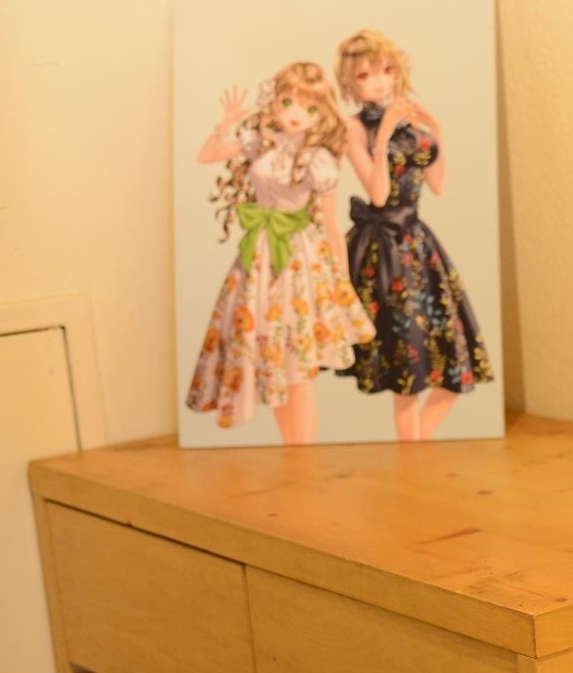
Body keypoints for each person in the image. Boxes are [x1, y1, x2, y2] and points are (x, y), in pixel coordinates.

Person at [187, 63, 374, 442]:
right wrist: (226, 123)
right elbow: (206, 156)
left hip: (300, 258)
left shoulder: (319, 159)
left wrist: (341, 283)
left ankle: (304, 452)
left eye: (310, 108)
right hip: (258, 257)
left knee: (298, 368)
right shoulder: (262, 142)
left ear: (321, 114)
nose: (295, 114)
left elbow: (331, 223)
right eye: (287, 102)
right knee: (273, 362)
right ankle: (292, 449)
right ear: (273, 102)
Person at [334, 29, 494, 441]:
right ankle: (412, 447)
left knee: (449, 354)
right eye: (366, 75)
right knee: (405, 359)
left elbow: (437, 184)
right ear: (349, 82)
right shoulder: (352, 128)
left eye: (387, 71)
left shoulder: (409, 120)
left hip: (417, 243)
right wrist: (385, 135)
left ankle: (416, 443)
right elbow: (377, 194)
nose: (379, 82)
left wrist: (435, 128)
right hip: (382, 251)